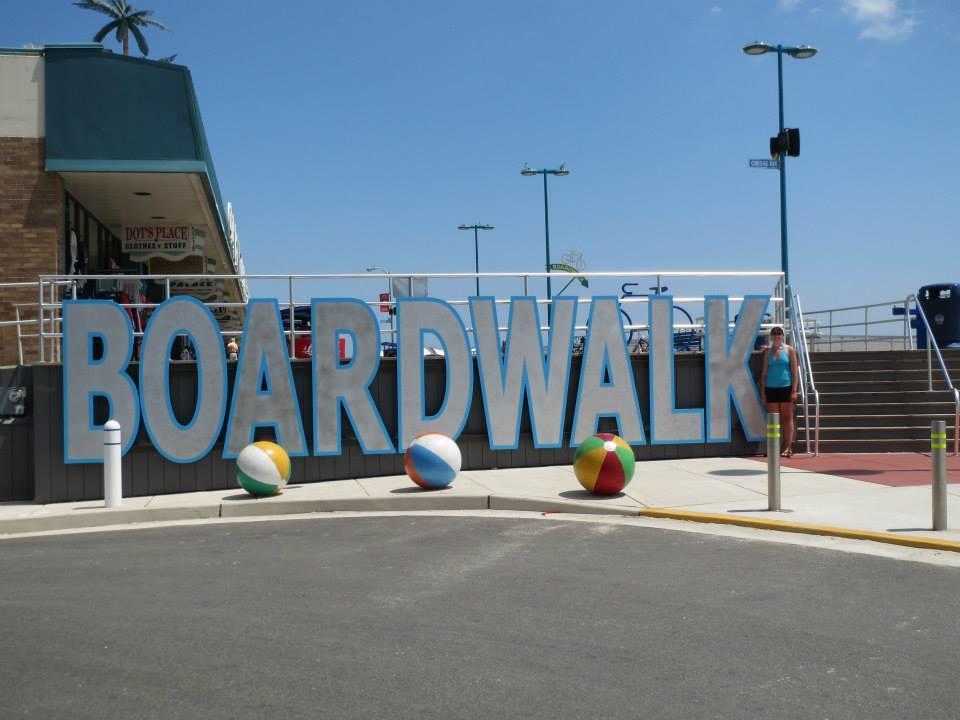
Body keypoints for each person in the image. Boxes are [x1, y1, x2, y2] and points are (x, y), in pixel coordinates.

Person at [760, 325, 799, 457]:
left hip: (786, 387)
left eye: (779, 334)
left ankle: (788, 447)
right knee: (773, 420)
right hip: (771, 388)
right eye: (774, 334)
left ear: (783, 336)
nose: (777, 336)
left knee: (787, 418)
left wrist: (794, 390)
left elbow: (794, 372)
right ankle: (773, 447)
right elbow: (764, 373)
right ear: (771, 336)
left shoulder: (790, 350)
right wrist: (763, 392)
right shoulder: (767, 352)